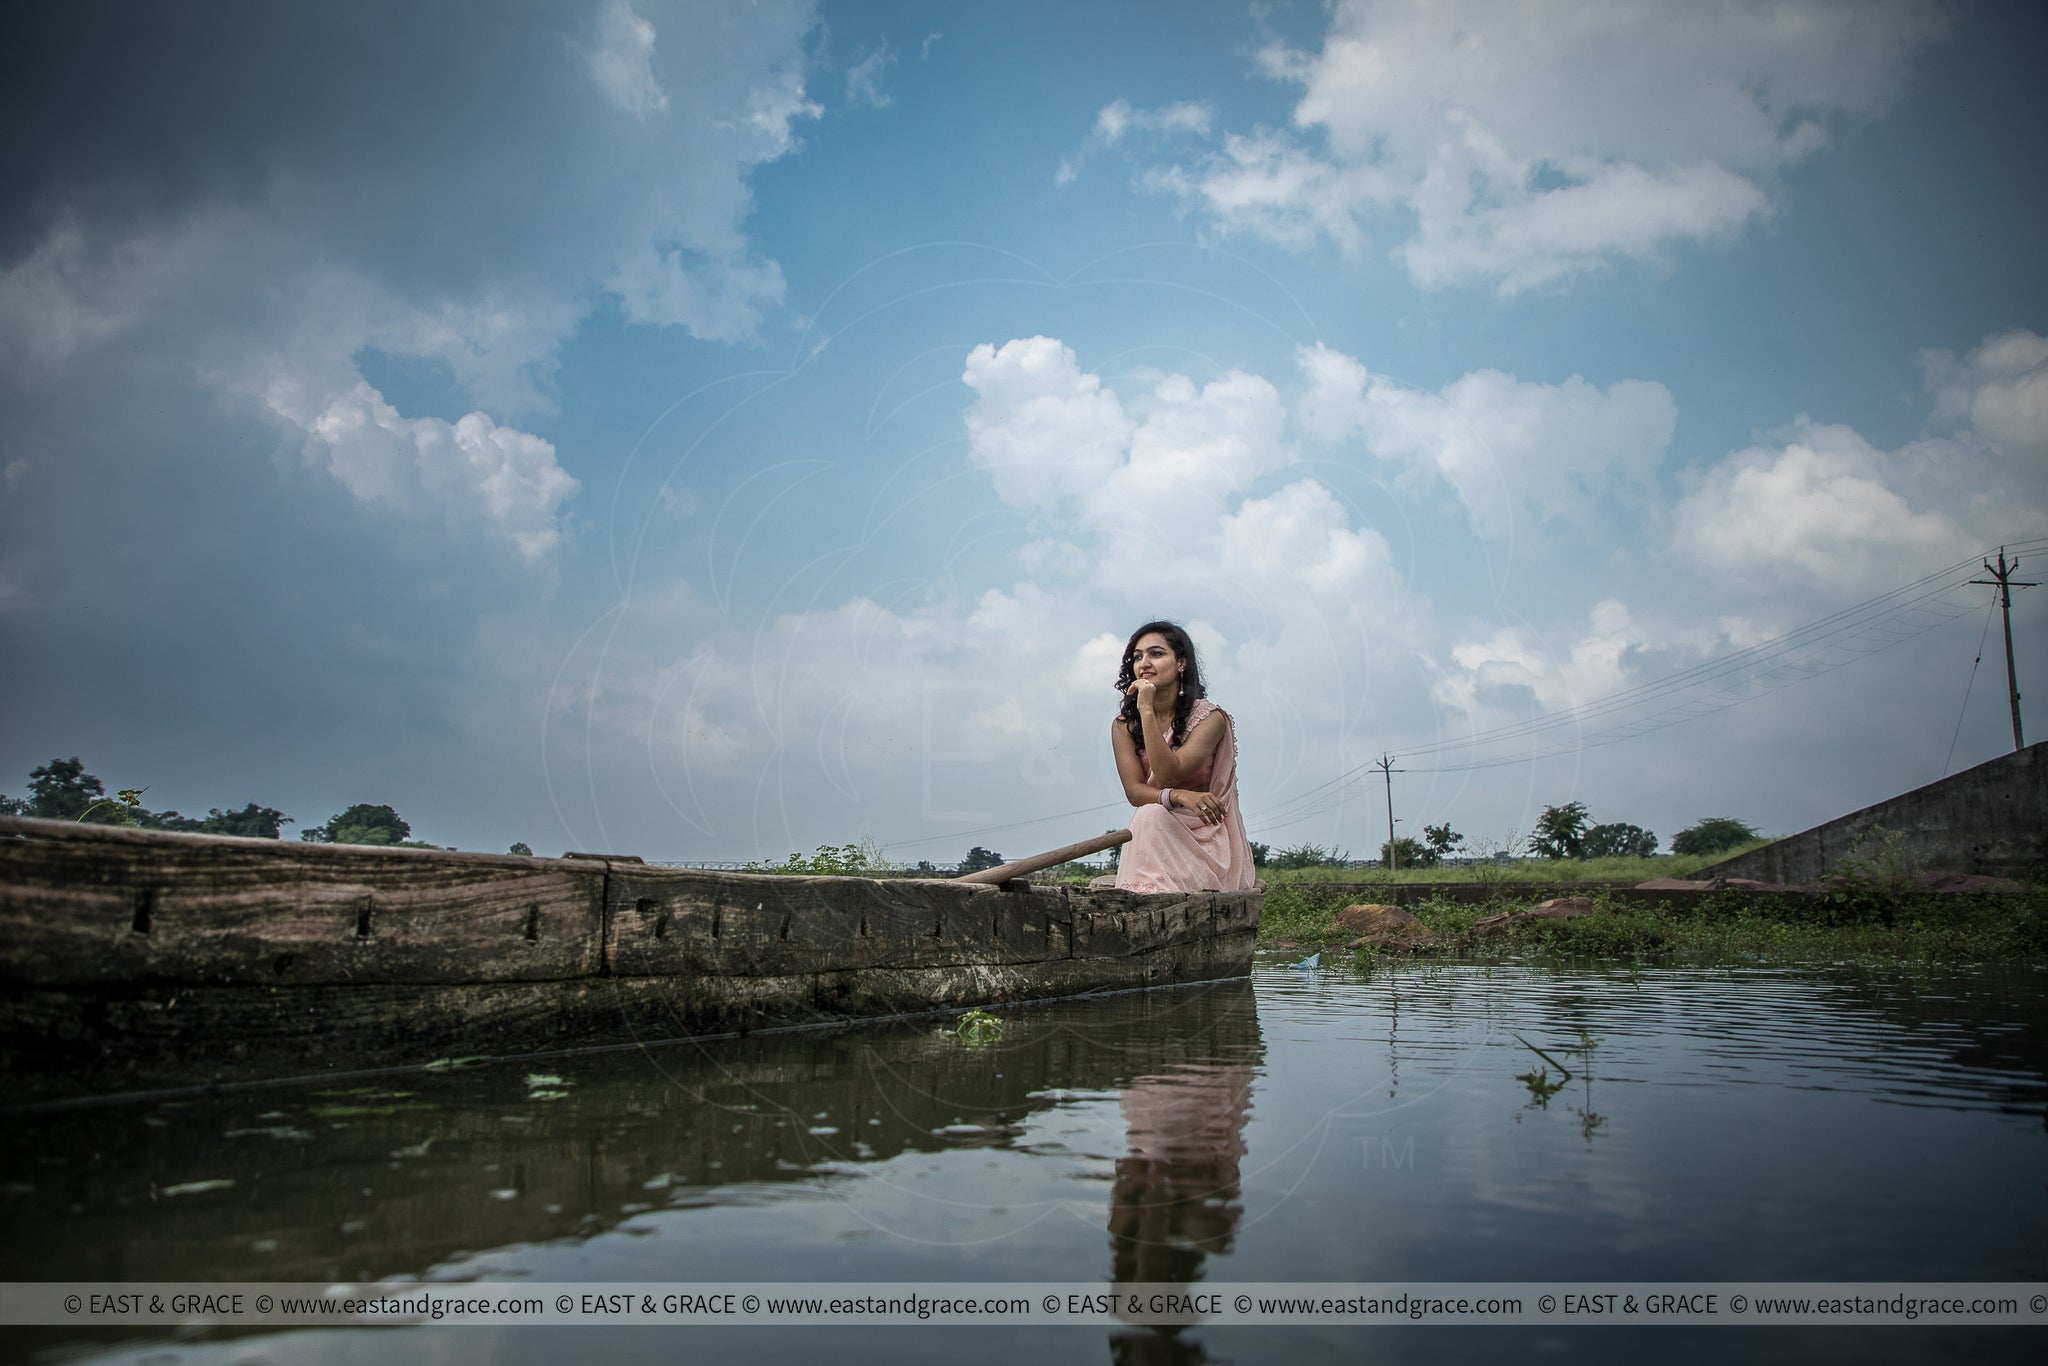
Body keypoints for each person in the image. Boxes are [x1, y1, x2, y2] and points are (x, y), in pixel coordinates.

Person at [1110, 621, 1257, 893]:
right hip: (1157, 833)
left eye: (1156, 654)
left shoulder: (1210, 719)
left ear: (1181, 663)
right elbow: (1134, 792)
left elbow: (1168, 775)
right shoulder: (1124, 726)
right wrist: (1176, 796)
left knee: (1150, 814)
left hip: (1205, 839)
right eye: (1138, 656)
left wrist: (1147, 712)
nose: (1144, 663)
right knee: (1150, 813)